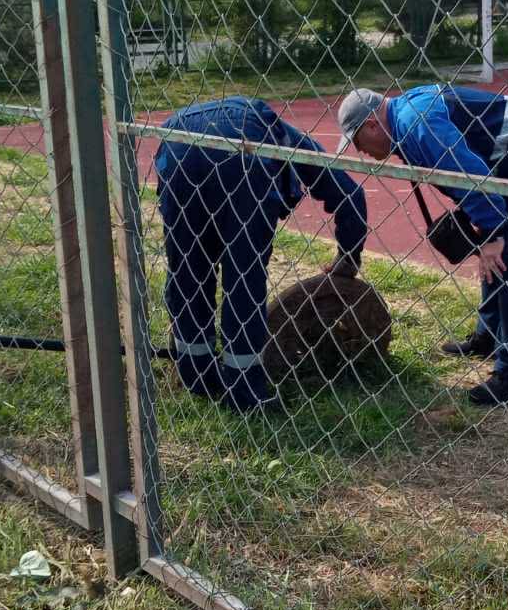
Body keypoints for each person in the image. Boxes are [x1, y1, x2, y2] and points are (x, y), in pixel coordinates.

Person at [337, 84, 508, 406]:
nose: (361, 151)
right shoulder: (405, 117)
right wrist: (487, 229)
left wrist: (493, 233)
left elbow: (468, 174)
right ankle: (488, 337)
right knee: (494, 250)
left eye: (358, 141)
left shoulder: (416, 123)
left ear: (372, 124)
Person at [155, 97, 367, 411]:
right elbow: (350, 193)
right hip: (244, 154)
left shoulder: (273, 131)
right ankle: (245, 392)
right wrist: (348, 256)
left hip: (177, 144)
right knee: (244, 277)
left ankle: (196, 374)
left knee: (187, 270)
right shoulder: (286, 138)